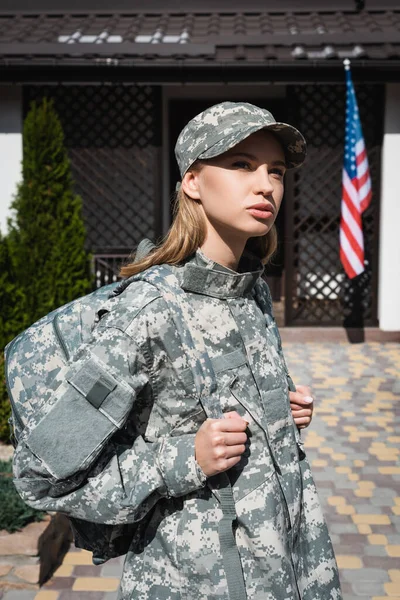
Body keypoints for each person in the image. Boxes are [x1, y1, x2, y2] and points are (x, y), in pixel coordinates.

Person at [13, 102, 341, 600]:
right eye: (241, 165)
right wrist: (183, 458)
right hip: (194, 582)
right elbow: (41, 478)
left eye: (275, 171)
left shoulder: (250, 291)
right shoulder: (147, 310)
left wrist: (278, 410)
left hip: (291, 566)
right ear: (192, 181)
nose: (265, 185)